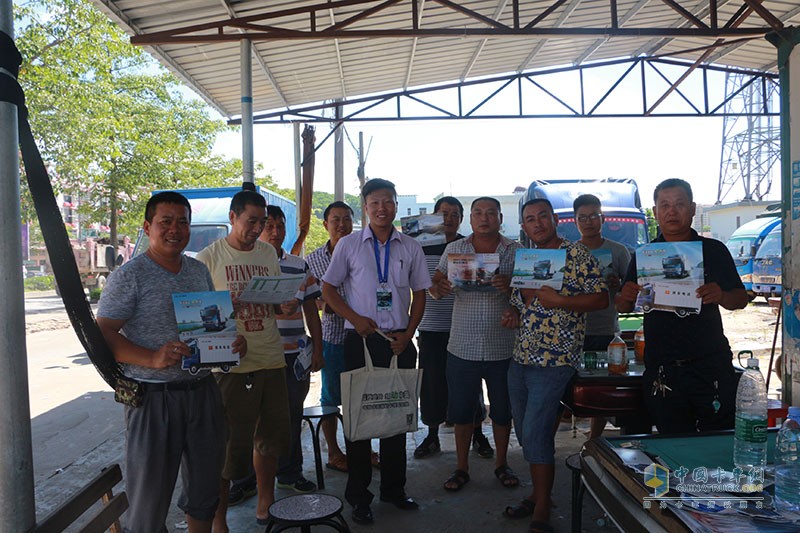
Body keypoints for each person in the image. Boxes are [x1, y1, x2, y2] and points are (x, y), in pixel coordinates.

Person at [97, 191, 246, 533]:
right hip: (153, 398)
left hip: (202, 390)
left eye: (183, 222)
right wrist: (151, 357)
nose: (175, 229)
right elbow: (103, 333)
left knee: (205, 489)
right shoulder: (130, 275)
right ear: (148, 226)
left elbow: (212, 330)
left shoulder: (197, 271)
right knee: (149, 500)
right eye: (166, 222)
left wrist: (231, 346)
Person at [322, 178, 430, 525]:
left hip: (398, 342)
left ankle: (394, 489)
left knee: (397, 419)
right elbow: (328, 289)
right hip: (361, 341)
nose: (382, 208)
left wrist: (409, 334)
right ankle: (359, 496)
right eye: (375, 203)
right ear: (365, 207)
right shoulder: (349, 245)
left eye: (388, 201)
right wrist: (355, 318)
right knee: (359, 421)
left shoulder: (410, 246)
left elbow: (421, 294)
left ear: (396, 205)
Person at [501, 198, 607, 533]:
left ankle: (543, 506)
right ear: (524, 225)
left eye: (542, 217)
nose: (537, 223)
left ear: (554, 219)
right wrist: (513, 314)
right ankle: (537, 493)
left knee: (535, 431)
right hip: (521, 357)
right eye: (530, 219)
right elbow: (523, 303)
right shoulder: (526, 258)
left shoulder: (576, 255)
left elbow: (601, 298)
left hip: (555, 360)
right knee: (528, 432)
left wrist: (562, 301)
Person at [616, 178, 748, 434]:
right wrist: (625, 296)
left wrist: (721, 295)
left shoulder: (714, 250)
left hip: (710, 366)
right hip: (662, 369)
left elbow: (740, 299)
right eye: (664, 205)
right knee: (672, 441)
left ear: (693, 208)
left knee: (717, 440)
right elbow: (622, 306)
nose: (672, 211)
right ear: (655, 212)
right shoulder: (645, 256)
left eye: (679, 204)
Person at [195, 190, 292, 529]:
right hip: (231, 365)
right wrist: (226, 308)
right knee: (227, 448)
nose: (257, 228)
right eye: (251, 221)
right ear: (233, 217)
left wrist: (285, 304)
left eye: (261, 222)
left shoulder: (268, 253)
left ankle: (266, 500)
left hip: (271, 357)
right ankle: (219, 517)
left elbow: (275, 302)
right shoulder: (209, 258)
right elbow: (197, 321)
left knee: (270, 438)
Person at [428, 197, 520, 493]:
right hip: (462, 345)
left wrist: (512, 289)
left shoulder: (515, 251)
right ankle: (461, 467)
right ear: (470, 218)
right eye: (478, 213)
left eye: (490, 213)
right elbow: (435, 283)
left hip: (503, 346)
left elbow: (530, 293)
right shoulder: (454, 249)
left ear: (500, 217)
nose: (484, 218)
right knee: (461, 411)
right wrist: (438, 287)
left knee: (503, 411)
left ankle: (502, 463)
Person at [414, 196, 493, 459]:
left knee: (471, 385)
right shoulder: (419, 246)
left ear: (462, 219)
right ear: (434, 216)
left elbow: (483, 280)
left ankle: (478, 434)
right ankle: (432, 434)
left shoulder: (469, 247)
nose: (448, 218)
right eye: (443, 213)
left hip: (466, 327)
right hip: (430, 327)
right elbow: (413, 281)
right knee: (432, 383)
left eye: (454, 214)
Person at [259, 204, 324, 493]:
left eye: (280, 225)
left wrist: (318, 349)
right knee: (254, 420)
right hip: (257, 356)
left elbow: (312, 311)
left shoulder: (299, 265)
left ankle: (290, 472)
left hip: (293, 355)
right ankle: (247, 480)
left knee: (291, 416)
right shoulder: (248, 266)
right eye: (268, 225)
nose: (275, 231)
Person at [573, 194, 631, 438]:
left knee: (601, 387)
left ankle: (594, 439)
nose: (589, 222)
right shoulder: (569, 253)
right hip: (572, 331)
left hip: (606, 329)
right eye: (582, 217)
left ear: (603, 218)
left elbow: (631, 293)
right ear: (575, 221)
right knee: (570, 386)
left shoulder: (619, 252)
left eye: (593, 216)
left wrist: (618, 286)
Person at [306, 201, 354, 472]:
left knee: (359, 396)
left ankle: (359, 449)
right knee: (330, 397)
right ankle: (334, 452)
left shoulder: (364, 252)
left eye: (347, 219)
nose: (341, 224)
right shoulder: (313, 260)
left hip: (362, 334)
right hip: (333, 336)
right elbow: (309, 300)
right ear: (326, 225)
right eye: (335, 219)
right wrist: (326, 304)